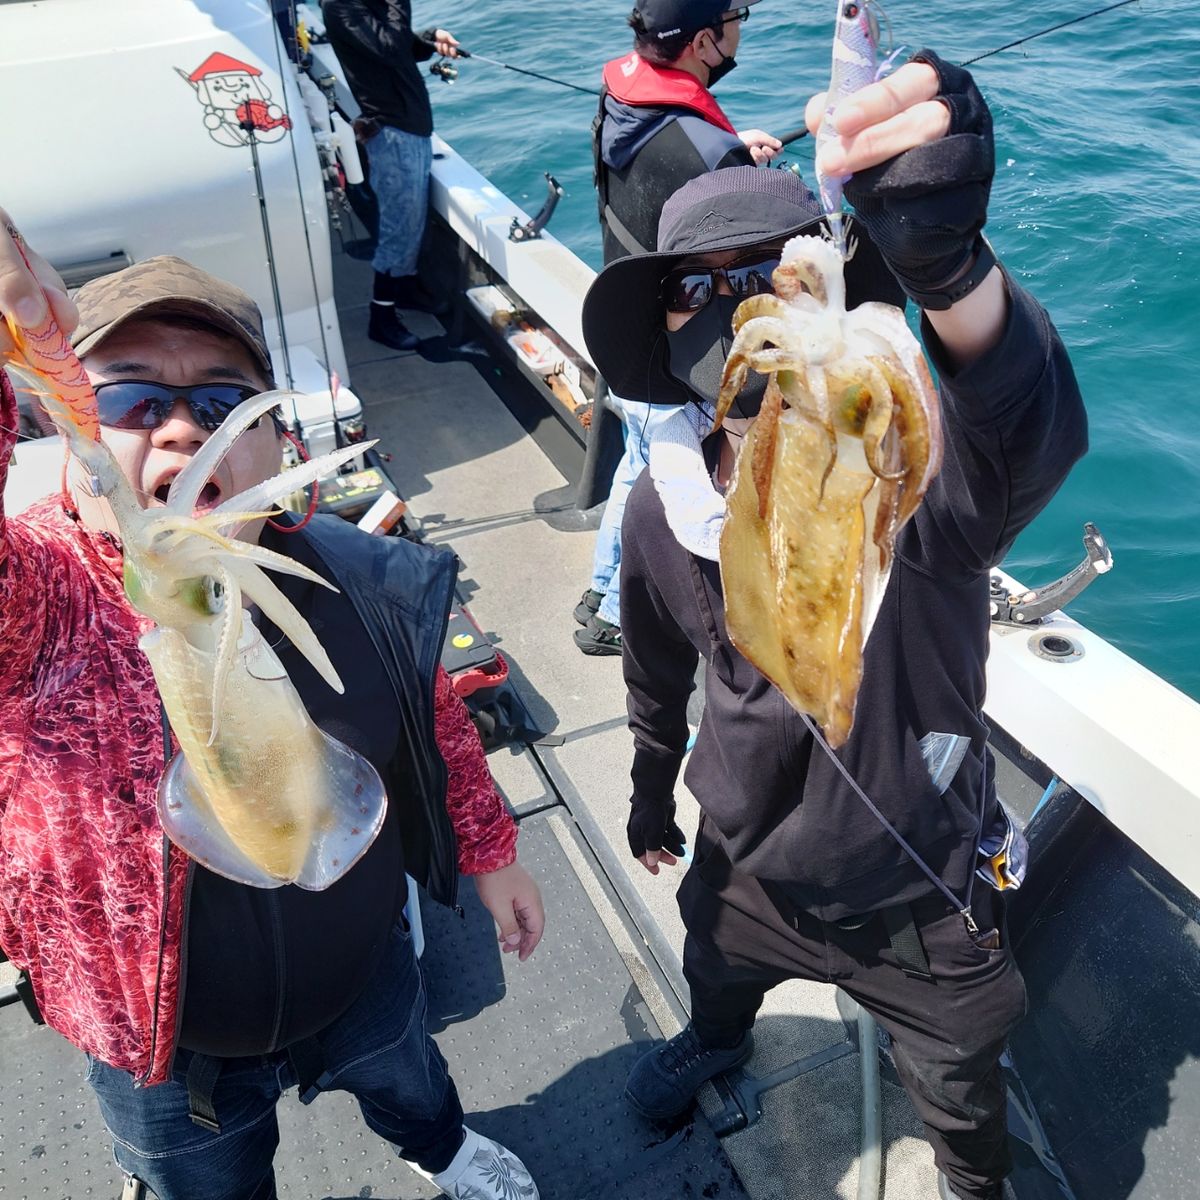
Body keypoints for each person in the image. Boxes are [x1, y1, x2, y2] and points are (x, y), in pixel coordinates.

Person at [580, 53, 1088, 1200]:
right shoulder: (666, 514)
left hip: (918, 885)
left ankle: (975, 1178)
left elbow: (1020, 430)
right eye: (695, 287)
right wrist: (652, 791)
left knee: (962, 1081)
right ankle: (717, 1038)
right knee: (712, 965)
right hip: (745, 851)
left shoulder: (915, 482)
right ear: (667, 338)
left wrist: (955, 280)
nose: (739, 307)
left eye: (770, 273)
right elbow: (659, 674)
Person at [0, 226, 545, 1200]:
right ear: (71, 436)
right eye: (130, 398)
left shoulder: (349, 572)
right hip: (160, 1036)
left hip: (361, 960)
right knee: (203, 1177)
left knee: (410, 1080)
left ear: (274, 446)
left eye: (219, 404)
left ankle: (445, 1150)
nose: (178, 430)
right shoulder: (40, 602)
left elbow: (439, 729)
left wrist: (492, 852)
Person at [575, 0, 782, 656]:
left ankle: (602, 582)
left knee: (635, 457)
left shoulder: (621, 97)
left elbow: (667, 169)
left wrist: (728, 152)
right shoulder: (705, 146)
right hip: (679, 349)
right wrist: (743, 170)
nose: (739, 30)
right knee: (653, 473)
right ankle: (613, 611)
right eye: (736, 18)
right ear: (702, 40)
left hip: (632, 321)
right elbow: (736, 241)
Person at [323, 1, 459, 352]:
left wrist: (431, 40)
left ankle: (404, 293)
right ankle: (380, 319)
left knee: (409, 224)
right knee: (399, 228)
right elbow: (389, 46)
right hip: (394, 134)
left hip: (408, 131)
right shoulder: (341, 7)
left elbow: (404, 48)